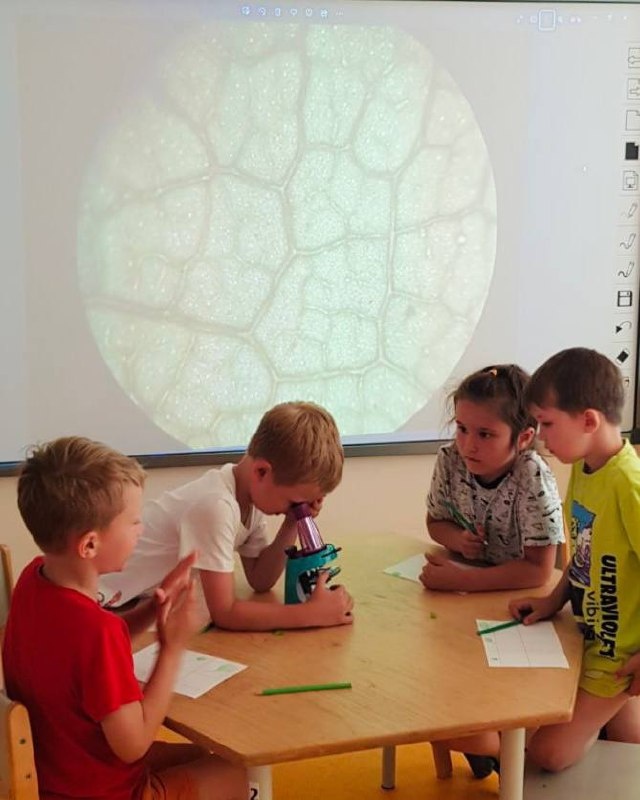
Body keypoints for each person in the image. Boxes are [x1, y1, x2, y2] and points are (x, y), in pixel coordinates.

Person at [2, 436, 248, 800]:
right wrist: (172, 649)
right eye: (133, 522)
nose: (141, 529)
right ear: (89, 545)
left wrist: (152, 608)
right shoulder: (95, 632)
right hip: (104, 791)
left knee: (203, 756)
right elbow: (133, 744)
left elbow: (86, 658)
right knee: (234, 772)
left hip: (56, 772)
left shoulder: (33, 580)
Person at [99, 401, 354, 630]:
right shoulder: (216, 505)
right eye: (295, 504)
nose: (297, 511)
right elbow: (225, 612)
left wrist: (293, 522)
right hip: (98, 596)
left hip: (129, 602)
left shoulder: (250, 497)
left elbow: (261, 579)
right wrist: (311, 614)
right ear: (262, 472)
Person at [508, 347, 640, 772]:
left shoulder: (628, 483)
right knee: (625, 738)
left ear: (588, 420)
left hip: (617, 653)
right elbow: (584, 552)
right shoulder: (585, 468)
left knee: (546, 754)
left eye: (547, 423)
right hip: (590, 634)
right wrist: (553, 600)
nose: (541, 436)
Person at [420, 363, 564, 594]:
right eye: (462, 429)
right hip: (471, 581)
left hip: (516, 593)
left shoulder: (532, 474)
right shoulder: (450, 458)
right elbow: (436, 523)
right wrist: (459, 540)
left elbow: (539, 570)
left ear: (524, 438)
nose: (468, 446)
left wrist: (464, 581)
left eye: (485, 434)